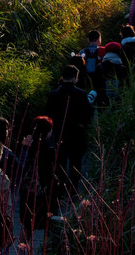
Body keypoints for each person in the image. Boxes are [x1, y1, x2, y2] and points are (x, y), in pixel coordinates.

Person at [44, 65, 92, 195]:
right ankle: (72, 190)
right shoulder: (81, 94)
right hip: (76, 133)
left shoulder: (53, 93)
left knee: (59, 162)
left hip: (58, 132)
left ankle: (58, 188)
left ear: (62, 76)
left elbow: (47, 113)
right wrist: (83, 125)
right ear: (75, 78)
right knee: (75, 162)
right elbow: (87, 114)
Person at [18, 116, 60, 247]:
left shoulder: (26, 146)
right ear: (47, 131)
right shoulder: (49, 150)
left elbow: (20, 166)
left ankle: (21, 250)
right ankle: (47, 250)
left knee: (26, 225)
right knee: (49, 223)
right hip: (44, 191)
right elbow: (49, 172)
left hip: (27, 190)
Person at [92, 42, 128, 107]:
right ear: (119, 52)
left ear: (106, 52)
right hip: (119, 104)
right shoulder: (123, 68)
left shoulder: (99, 67)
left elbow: (95, 86)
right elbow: (126, 87)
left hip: (102, 103)